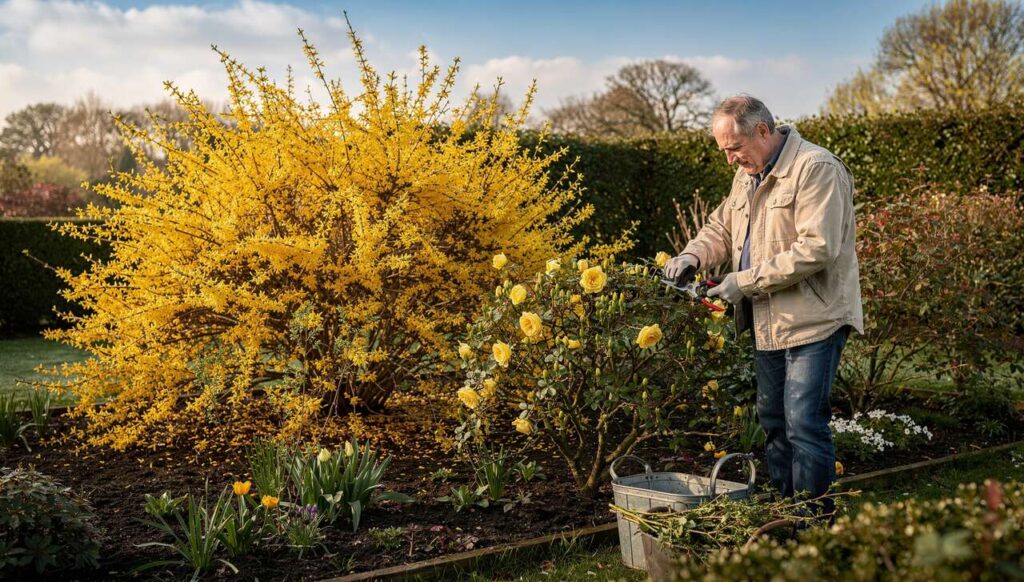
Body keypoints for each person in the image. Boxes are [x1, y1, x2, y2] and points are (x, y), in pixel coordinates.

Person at [664, 95, 864, 511]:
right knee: (774, 424)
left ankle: (813, 526)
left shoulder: (815, 168)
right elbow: (721, 226)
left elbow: (817, 249)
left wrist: (743, 282)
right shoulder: (746, 176)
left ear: (762, 130)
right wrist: (693, 255)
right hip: (768, 320)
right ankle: (783, 515)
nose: (730, 160)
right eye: (724, 151)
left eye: (734, 148)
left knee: (804, 424)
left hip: (815, 319)